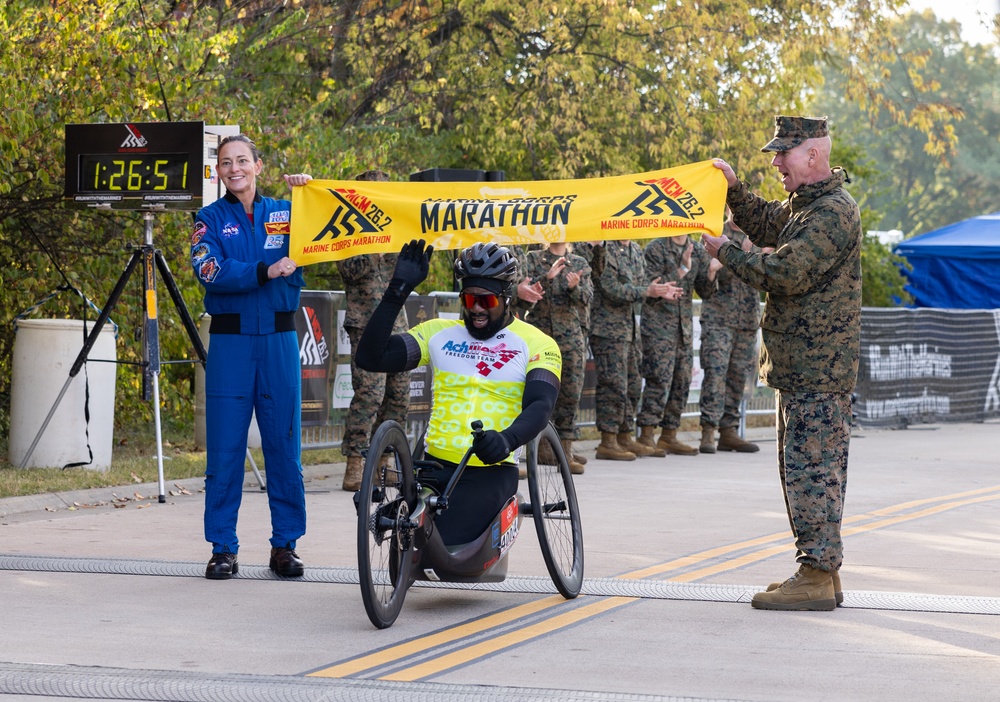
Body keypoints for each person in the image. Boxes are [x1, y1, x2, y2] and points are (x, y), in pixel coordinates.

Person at [702, 115, 862, 611]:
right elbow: (770, 220)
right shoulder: (807, 207)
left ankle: (815, 573)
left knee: (811, 472)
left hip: (818, 371)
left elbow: (788, 271)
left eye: (783, 154)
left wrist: (727, 252)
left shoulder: (833, 212)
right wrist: (733, 191)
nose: (775, 162)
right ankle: (820, 569)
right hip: (801, 370)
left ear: (813, 155)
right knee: (802, 471)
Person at [356, 240, 562, 546]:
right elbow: (371, 358)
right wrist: (397, 290)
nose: (476, 308)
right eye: (469, 299)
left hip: (490, 468)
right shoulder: (438, 332)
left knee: (450, 548)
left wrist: (507, 439)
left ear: (507, 299)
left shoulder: (537, 343)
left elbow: (540, 406)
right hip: (433, 467)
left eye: (487, 301)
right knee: (415, 546)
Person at [191, 134, 311, 580]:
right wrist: (264, 270)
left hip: (278, 342)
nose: (235, 168)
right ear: (218, 171)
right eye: (226, 162)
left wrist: (308, 191)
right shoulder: (208, 218)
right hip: (231, 346)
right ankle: (223, 547)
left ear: (259, 166)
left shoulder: (286, 211)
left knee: (284, 447)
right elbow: (208, 269)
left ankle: (286, 545)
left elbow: (325, 231)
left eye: (243, 160)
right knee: (224, 450)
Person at [336, 169, 411, 492]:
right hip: (365, 323)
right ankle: (355, 462)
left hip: (398, 324)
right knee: (369, 394)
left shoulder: (400, 228)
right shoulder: (348, 229)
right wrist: (373, 249)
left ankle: (384, 463)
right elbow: (346, 270)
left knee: (399, 395)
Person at [586, 239, 682, 461]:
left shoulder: (635, 250)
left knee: (632, 385)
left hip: (629, 328)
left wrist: (657, 293)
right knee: (613, 385)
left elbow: (642, 287)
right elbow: (609, 287)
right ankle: (608, 440)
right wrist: (647, 291)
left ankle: (624, 436)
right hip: (607, 329)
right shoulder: (605, 248)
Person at [636, 235, 719, 456]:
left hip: (683, 328)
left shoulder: (698, 250)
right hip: (658, 327)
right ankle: (646, 435)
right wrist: (681, 269)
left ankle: (669, 435)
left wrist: (711, 271)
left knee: (681, 381)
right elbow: (650, 290)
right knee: (658, 379)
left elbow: (706, 292)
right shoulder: (656, 248)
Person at [522, 242, 594, 474]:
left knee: (570, 393)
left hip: (570, 337)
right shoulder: (532, 258)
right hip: (540, 335)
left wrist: (575, 287)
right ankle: (542, 448)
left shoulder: (580, 262)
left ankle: (565, 448)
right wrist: (547, 276)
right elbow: (524, 295)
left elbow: (588, 297)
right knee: (540, 391)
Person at [697, 214, 765, 454]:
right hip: (719, 319)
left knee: (738, 377)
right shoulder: (714, 236)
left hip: (746, 321)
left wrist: (752, 257)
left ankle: (729, 432)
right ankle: (708, 430)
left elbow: (765, 279)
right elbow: (702, 287)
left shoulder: (756, 238)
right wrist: (712, 270)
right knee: (715, 374)